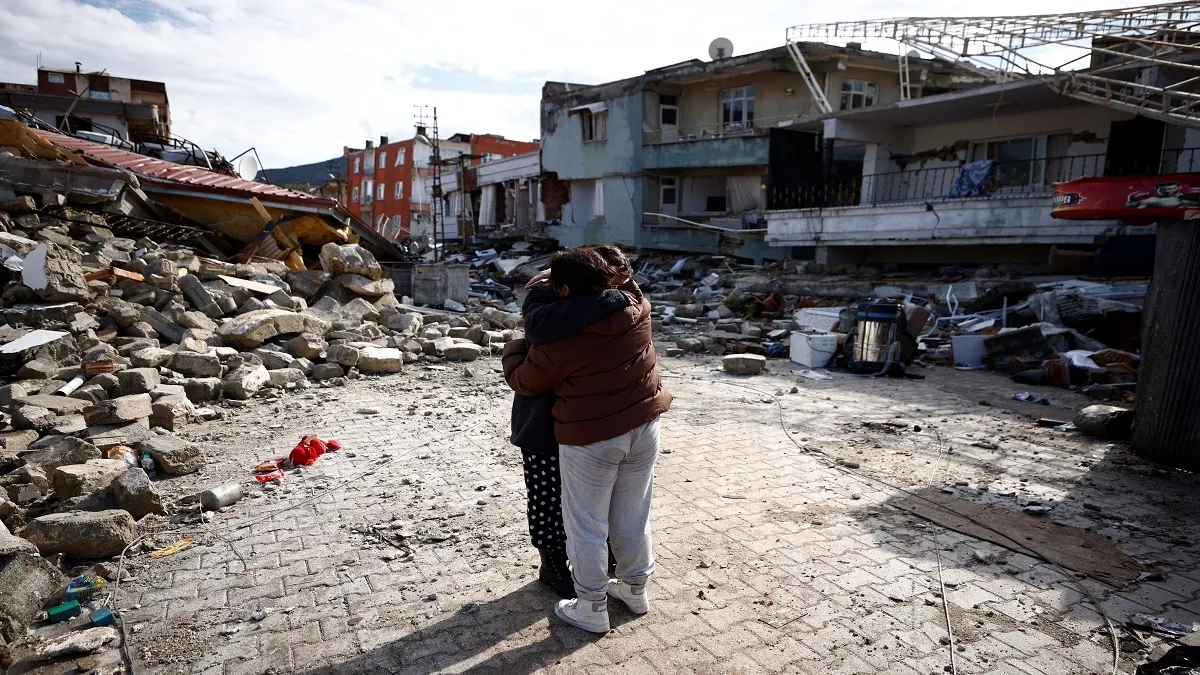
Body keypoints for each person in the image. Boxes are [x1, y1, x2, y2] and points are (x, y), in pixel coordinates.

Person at [502, 247, 672, 634]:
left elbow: (527, 380)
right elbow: (626, 282)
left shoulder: (559, 339)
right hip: (643, 428)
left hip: (588, 437)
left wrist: (512, 350)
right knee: (632, 515)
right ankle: (635, 590)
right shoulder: (636, 309)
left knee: (586, 525)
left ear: (562, 292)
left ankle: (592, 606)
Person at [513, 249, 630, 598]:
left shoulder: (559, 313)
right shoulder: (606, 307)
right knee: (570, 497)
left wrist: (513, 354)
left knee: (567, 498)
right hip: (566, 425)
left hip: (563, 425)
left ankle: (570, 564)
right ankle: (569, 564)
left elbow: (527, 375)